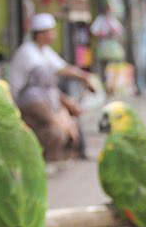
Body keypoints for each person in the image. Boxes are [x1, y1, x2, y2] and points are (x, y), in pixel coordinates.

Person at [9, 13, 95, 162]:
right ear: (41, 34)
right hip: (29, 101)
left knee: (69, 116)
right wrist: (62, 117)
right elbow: (43, 84)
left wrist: (84, 77)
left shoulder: (44, 51)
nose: (54, 35)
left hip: (44, 98)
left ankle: (72, 155)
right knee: (58, 127)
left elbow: (63, 68)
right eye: (50, 31)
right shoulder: (28, 52)